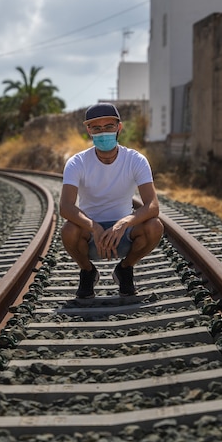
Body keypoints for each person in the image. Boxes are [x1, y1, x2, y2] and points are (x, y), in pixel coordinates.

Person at [59, 102, 164, 299]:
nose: (103, 132)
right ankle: (88, 272)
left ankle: (125, 269)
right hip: (90, 237)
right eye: (96, 128)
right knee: (68, 230)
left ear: (119, 127)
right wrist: (94, 227)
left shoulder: (135, 159)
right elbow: (65, 206)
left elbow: (153, 205)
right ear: (88, 130)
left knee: (155, 226)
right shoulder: (77, 162)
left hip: (124, 235)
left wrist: (124, 223)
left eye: (109, 126)